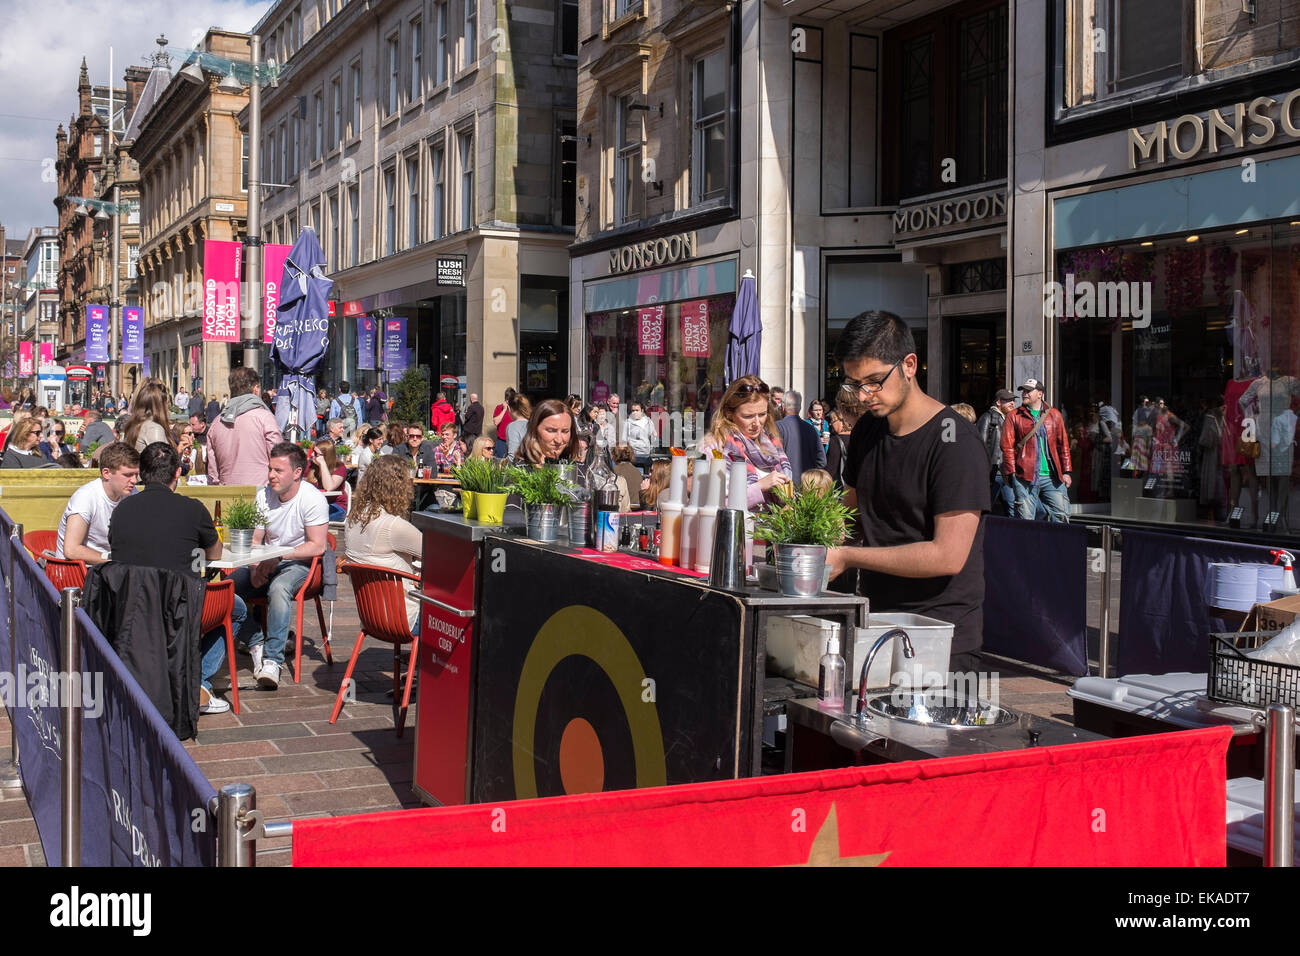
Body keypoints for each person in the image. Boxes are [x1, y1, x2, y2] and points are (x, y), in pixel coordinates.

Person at [825, 310, 990, 669]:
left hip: (940, 637)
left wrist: (849, 557)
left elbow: (948, 555)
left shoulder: (955, 441)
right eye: (853, 384)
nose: (864, 395)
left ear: (910, 365)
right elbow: (849, 517)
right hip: (879, 623)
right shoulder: (868, 430)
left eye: (873, 381)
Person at [108, 442, 241, 715]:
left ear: (143, 473)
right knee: (236, 608)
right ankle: (199, 684)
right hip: (178, 608)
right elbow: (215, 553)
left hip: (131, 606)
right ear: (177, 473)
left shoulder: (121, 510)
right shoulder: (192, 509)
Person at [231, 442, 329, 689]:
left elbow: (317, 546)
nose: (271, 476)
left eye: (278, 470)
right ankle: (255, 639)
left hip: (302, 565)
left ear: (297, 473)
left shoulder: (312, 498)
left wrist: (278, 557)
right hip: (267, 561)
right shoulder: (264, 495)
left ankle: (273, 661)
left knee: (279, 588)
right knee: (225, 587)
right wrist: (254, 568)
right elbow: (255, 539)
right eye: (270, 469)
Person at [696, 376, 793, 508]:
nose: (757, 424)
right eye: (748, 416)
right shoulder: (713, 447)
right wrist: (760, 486)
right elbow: (712, 505)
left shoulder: (771, 444)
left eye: (762, 414)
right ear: (729, 412)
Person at [1001, 378, 1072, 523]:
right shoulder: (1013, 416)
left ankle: (1058, 546)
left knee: (1062, 517)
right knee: (1025, 520)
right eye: (1023, 391)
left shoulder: (1054, 415)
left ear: (1040, 394)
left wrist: (1066, 472)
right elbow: (1007, 447)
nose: (1024, 394)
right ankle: (1027, 546)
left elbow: (1063, 445)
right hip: (1024, 477)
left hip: (1053, 477)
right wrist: (1013, 473)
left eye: (1028, 391)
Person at [56, 443, 141, 563]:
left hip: (109, 568)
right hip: (76, 573)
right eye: (127, 475)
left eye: (136, 475)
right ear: (106, 473)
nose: (134, 481)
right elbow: (71, 550)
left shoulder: (131, 493)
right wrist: (112, 559)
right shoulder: (85, 497)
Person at [207, 367, 284, 486]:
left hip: (227, 493)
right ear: (256, 389)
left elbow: (213, 472)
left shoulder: (217, 422)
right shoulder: (264, 417)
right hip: (261, 494)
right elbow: (279, 458)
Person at [976, 389, 1016, 517]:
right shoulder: (988, 417)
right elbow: (980, 445)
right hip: (993, 472)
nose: (1012, 403)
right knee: (985, 509)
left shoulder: (1008, 419)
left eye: (1013, 400)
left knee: (1013, 508)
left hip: (1006, 472)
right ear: (998, 402)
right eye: (1008, 400)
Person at [775, 390, 825, 485]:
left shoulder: (777, 427)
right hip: (807, 486)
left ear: (783, 407)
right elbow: (822, 461)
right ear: (800, 407)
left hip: (784, 486)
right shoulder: (811, 429)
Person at [513, 398, 579, 465]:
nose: (558, 440)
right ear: (534, 430)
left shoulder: (577, 469)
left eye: (565, 431)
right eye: (551, 431)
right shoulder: (521, 469)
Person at [124, 379, 175, 452]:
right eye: (167, 403)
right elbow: (161, 461)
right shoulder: (154, 429)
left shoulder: (135, 425)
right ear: (162, 404)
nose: (168, 408)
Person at [307, 438, 349, 521]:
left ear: (325, 456)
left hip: (336, 506)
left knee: (311, 517)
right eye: (312, 451)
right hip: (314, 505)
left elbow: (329, 487)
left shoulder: (339, 467)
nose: (312, 455)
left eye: (315, 453)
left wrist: (322, 464)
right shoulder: (311, 465)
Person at [621, 400, 656, 468]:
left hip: (646, 456)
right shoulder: (627, 423)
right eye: (633, 410)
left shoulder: (648, 422)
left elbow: (653, 438)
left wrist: (650, 449)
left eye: (637, 410)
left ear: (642, 411)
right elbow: (624, 440)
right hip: (633, 457)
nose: (634, 412)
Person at [611, 445, 644, 511]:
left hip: (623, 511)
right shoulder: (637, 472)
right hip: (636, 511)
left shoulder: (614, 472)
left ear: (614, 455)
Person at [505, 394, 532, 459]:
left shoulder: (513, 426)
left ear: (509, 408)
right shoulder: (533, 424)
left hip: (520, 467)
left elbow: (513, 455)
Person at [493, 387, 517, 458]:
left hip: (514, 441)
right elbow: (496, 422)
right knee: (500, 461)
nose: (508, 402)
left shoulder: (516, 408)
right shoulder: (499, 408)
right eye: (507, 399)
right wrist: (504, 410)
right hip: (502, 441)